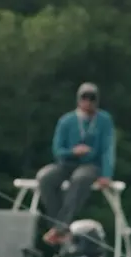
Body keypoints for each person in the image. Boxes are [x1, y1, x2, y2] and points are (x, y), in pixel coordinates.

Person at [40, 82, 115, 246]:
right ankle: (58, 226)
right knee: (45, 177)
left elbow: (108, 149)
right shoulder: (66, 121)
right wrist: (73, 152)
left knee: (80, 179)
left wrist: (106, 175)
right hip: (67, 162)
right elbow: (57, 149)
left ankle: (59, 229)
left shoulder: (104, 120)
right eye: (84, 98)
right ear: (78, 100)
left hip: (90, 164)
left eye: (92, 98)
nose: (88, 102)